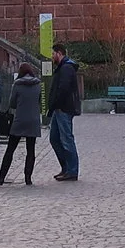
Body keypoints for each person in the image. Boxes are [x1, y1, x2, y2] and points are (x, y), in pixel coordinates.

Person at [0, 59, 42, 185]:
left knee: (11, 149)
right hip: (33, 120)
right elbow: (39, 101)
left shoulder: (17, 84)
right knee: (30, 151)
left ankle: (1, 177)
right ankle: (28, 178)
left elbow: (12, 103)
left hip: (20, 119)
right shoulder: (38, 84)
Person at [46, 44, 83, 181]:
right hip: (59, 108)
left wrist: (57, 104)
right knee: (54, 138)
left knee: (66, 139)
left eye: (53, 53)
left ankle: (72, 170)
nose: (52, 56)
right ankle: (66, 167)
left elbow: (63, 89)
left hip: (64, 108)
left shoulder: (66, 68)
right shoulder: (63, 67)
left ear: (59, 53)